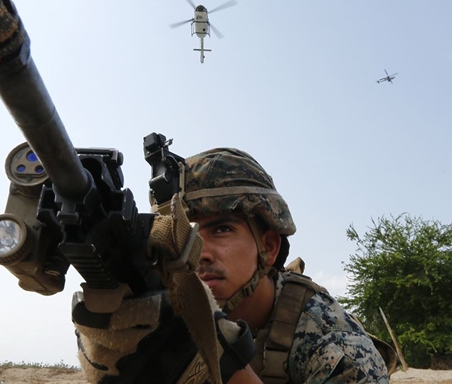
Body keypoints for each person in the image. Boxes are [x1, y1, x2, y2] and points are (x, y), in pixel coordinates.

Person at [73, 147, 392, 384]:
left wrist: (220, 365)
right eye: (182, 234)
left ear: (267, 247)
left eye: (221, 229)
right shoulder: (165, 317)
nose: (198, 252)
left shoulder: (335, 346)